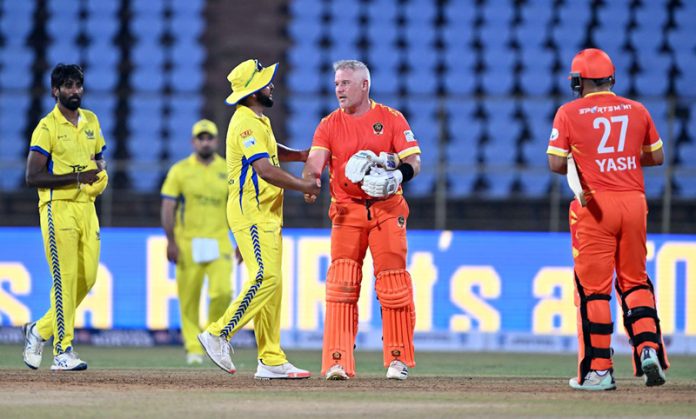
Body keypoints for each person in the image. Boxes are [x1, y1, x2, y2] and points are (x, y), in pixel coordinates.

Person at [546, 48, 669, 391]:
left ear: (577, 82)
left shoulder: (568, 112)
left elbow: (556, 164)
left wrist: (594, 161)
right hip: (634, 202)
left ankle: (599, 372)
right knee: (635, 281)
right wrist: (621, 158)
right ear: (612, 79)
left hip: (596, 206)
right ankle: (648, 349)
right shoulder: (637, 109)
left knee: (594, 291)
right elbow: (657, 156)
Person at [197, 59, 320, 379]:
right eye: (265, 82)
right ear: (252, 91)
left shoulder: (257, 119)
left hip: (265, 214)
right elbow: (264, 169)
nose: (271, 86)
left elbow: (271, 152)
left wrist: (300, 155)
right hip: (251, 212)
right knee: (268, 279)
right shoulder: (246, 123)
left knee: (271, 288)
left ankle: (271, 359)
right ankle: (218, 333)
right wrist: (303, 184)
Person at [302, 60, 422, 381]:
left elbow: (414, 160)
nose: (338, 89)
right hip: (346, 210)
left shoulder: (391, 118)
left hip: (387, 209)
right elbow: (315, 163)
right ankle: (337, 361)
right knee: (341, 284)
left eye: (345, 83)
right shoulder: (328, 124)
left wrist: (397, 173)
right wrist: (310, 182)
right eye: (336, 83)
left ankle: (397, 360)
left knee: (393, 284)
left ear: (364, 85)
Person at [22, 63, 108, 371]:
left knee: (88, 279)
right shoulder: (47, 127)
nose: (75, 91)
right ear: (55, 91)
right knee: (66, 280)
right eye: (68, 86)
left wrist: (100, 177)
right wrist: (76, 180)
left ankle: (39, 331)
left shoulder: (92, 120)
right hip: (58, 210)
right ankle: (63, 350)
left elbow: (98, 160)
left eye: (78, 86)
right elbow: (32, 176)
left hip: (86, 209)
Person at [161, 119, 239, 365]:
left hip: (219, 241)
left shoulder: (227, 169)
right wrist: (171, 240)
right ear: (193, 142)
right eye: (201, 138)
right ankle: (193, 347)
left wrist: (242, 240)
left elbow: (238, 206)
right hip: (188, 243)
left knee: (223, 292)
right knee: (189, 299)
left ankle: (211, 335)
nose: (205, 142)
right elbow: (168, 206)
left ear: (216, 141)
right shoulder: (180, 170)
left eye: (209, 138)